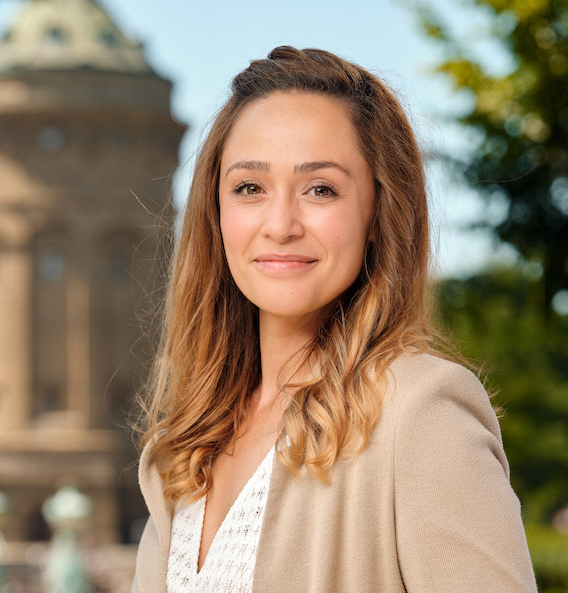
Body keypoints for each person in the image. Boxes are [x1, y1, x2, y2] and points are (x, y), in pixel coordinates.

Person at [131, 46, 537, 592]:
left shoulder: (420, 412)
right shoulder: (185, 446)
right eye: (249, 187)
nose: (280, 224)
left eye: (321, 188)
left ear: (377, 212)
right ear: (216, 211)